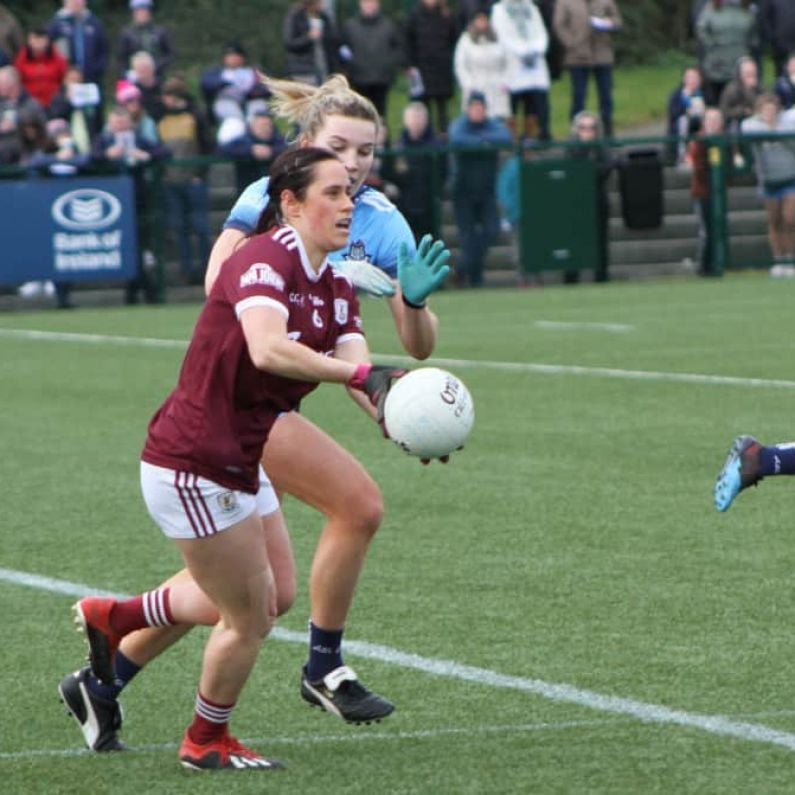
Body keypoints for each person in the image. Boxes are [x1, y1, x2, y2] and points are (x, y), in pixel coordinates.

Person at [58, 73, 451, 753]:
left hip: (255, 419)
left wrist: (400, 408)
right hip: (221, 422)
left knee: (264, 592)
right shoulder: (273, 225)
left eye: (364, 155)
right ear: (298, 181)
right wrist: (287, 299)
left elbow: (375, 363)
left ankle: (111, 658)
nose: (353, 172)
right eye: (338, 155)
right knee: (259, 595)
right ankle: (283, 689)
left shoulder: (356, 243)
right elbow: (247, 319)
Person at [448, 89, 512, 287]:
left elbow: (505, 137)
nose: (477, 111)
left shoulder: (492, 125)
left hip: (486, 191)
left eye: (481, 107)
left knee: (492, 230)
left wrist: (482, 139)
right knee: (468, 236)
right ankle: (475, 280)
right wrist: (484, 141)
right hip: (463, 190)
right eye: (474, 107)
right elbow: (458, 138)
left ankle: (462, 268)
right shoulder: (460, 125)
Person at [157, 75, 214, 285]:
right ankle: (186, 270)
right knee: (179, 227)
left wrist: (200, 173)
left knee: (200, 226)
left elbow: (206, 144)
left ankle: (206, 268)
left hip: (192, 179)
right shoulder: (162, 118)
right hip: (171, 181)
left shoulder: (194, 116)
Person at [740, 93, 795, 277]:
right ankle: (778, 260)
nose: (770, 114)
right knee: (774, 221)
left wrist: (777, 133)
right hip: (769, 181)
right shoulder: (752, 126)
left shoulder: (788, 124)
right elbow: (746, 129)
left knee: (789, 218)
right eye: (766, 110)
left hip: (790, 177)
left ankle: (790, 258)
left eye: (773, 110)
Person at [553, 0, 621, 137]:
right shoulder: (565, 2)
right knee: (579, 96)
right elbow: (559, 25)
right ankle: (577, 134)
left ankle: (607, 132)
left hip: (602, 54)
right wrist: (571, 43)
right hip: (577, 56)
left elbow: (617, 20)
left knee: (606, 96)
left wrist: (609, 23)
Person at [490, 0, 552, 141]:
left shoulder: (532, 7)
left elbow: (541, 32)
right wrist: (521, 51)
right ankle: (512, 141)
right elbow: (501, 35)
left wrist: (536, 49)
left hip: (534, 65)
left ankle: (531, 139)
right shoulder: (499, 9)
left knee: (533, 105)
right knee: (511, 106)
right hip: (512, 65)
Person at [339, 0, 404, 120]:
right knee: (360, 114)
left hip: (381, 79)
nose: (369, 5)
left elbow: (398, 48)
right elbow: (342, 50)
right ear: (360, 4)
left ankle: (382, 137)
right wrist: (351, 67)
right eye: (366, 2)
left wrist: (388, 64)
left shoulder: (388, 25)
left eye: (372, 2)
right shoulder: (350, 26)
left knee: (380, 115)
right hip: (358, 79)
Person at [393, 100, 446, 240]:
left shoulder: (437, 146)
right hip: (404, 205)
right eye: (413, 119)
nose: (416, 123)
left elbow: (444, 173)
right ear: (405, 121)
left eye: (420, 119)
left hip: (430, 205)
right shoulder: (398, 147)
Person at [406, 0, 459, 136]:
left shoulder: (447, 15)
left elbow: (454, 39)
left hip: (442, 69)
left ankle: (444, 138)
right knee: (424, 107)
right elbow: (408, 40)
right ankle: (426, 139)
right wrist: (409, 65)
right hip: (421, 70)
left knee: (443, 109)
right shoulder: (414, 15)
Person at [695, 0, 758, 106]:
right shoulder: (711, 8)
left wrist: (749, 47)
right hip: (717, 62)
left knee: (741, 96)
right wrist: (712, 44)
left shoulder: (746, 8)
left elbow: (754, 34)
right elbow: (701, 29)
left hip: (740, 58)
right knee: (716, 97)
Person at [687, 106, 725, 277]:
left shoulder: (724, 140)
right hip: (703, 193)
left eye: (717, 120)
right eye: (710, 120)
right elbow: (700, 169)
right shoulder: (699, 141)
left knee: (716, 228)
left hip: (719, 193)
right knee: (706, 230)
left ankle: (718, 263)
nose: (713, 124)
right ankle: (704, 266)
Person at [453, 10, 510, 122]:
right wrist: (468, 84)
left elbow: (508, 62)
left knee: (497, 119)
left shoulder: (498, 39)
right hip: (475, 84)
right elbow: (460, 65)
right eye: (479, 20)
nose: (482, 23)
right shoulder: (466, 40)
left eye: (484, 20)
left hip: (496, 86)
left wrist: (505, 82)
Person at [200, 42, 269, 131]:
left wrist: (253, 90)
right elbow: (206, 84)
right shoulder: (217, 72)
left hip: (251, 102)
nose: (234, 59)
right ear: (224, 58)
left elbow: (267, 88)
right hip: (226, 101)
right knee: (234, 121)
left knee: (258, 110)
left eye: (237, 56)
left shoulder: (253, 71)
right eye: (230, 56)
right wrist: (225, 82)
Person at [216, 107, 287, 194]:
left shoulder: (277, 141)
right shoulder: (243, 141)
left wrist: (271, 152)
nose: (265, 129)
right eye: (261, 125)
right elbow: (221, 150)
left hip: (274, 191)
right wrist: (250, 151)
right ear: (252, 126)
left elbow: (288, 149)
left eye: (268, 125)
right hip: (247, 191)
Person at [47, 0, 108, 96]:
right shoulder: (56, 25)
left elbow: (103, 50)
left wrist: (97, 70)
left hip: (91, 79)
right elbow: (50, 51)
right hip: (65, 80)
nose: (76, 3)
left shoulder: (94, 24)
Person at [283, 0, 340, 86]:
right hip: (303, 71)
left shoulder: (324, 17)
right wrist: (309, 38)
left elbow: (333, 42)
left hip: (324, 69)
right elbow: (289, 43)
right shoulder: (296, 16)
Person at [13, 27, 68, 114]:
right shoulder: (22, 58)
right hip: (28, 104)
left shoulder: (57, 58)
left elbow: (64, 78)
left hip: (53, 104)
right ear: (29, 40)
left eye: (41, 39)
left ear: (47, 40)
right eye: (35, 39)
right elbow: (17, 80)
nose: (38, 43)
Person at [0, 65, 46, 165]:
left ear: (12, 84)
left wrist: (17, 123)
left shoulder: (31, 105)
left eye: (1, 83)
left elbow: (41, 132)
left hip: (25, 155)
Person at [117, 0, 175, 80]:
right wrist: (127, 73)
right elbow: (121, 59)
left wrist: (156, 67)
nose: (142, 14)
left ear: (149, 13)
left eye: (144, 11)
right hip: (134, 78)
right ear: (133, 13)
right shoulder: (127, 34)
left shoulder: (160, 32)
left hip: (157, 78)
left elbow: (170, 54)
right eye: (138, 12)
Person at [666, 65, 706, 166]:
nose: (692, 81)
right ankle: (682, 156)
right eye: (689, 78)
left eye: (695, 78)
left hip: (702, 126)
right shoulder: (677, 95)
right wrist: (687, 107)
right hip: (683, 128)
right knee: (683, 121)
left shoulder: (705, 93)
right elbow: (674, 113)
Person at [759, 0, 795, 83]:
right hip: (780, 43)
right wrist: (772, 38)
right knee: (781, 72)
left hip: (789, 40)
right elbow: (764, 19)